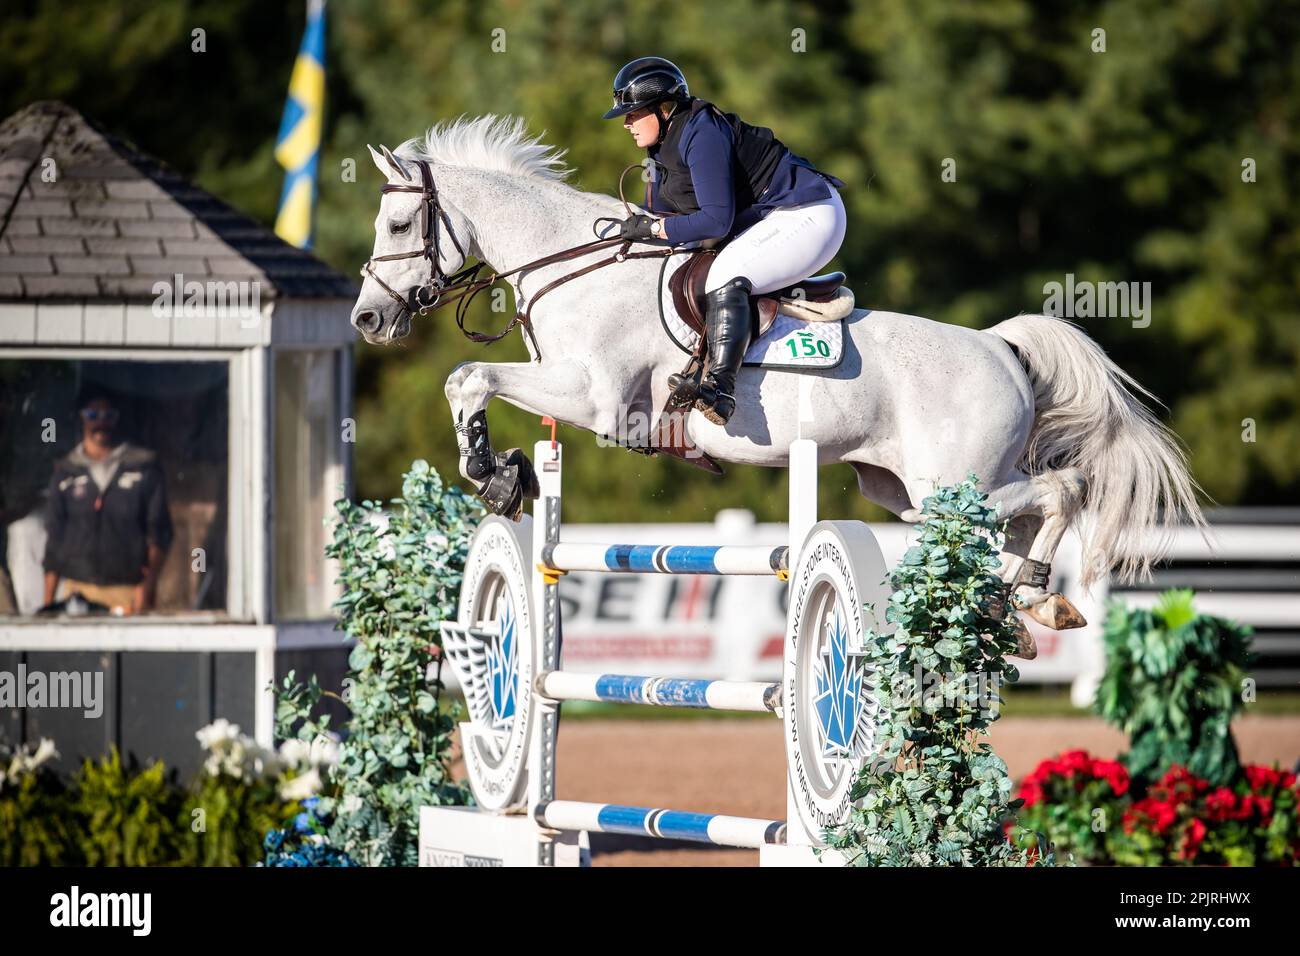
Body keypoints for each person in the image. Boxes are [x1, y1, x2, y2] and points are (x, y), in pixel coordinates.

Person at [604, 56, 847, 426]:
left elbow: (715, 220)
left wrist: (653, 230)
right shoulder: (662, 146)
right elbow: (673, 216)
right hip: (772, 216)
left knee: (725, 274)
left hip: (809, 213)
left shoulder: (701, 132)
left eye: (634, 113)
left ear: (663, 108)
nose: (626, 122)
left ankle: (720, 390)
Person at [42, 388, 172, 615]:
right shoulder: (66, 470)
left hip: (127, 590)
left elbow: (159, 533)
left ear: (117, 419)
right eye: (92, 416)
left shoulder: (142, 467)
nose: (100, 423)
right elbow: (54, 539)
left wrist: (147, 586)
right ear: (81, 418)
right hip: (76, 590)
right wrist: (48, 603)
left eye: (108, 416)